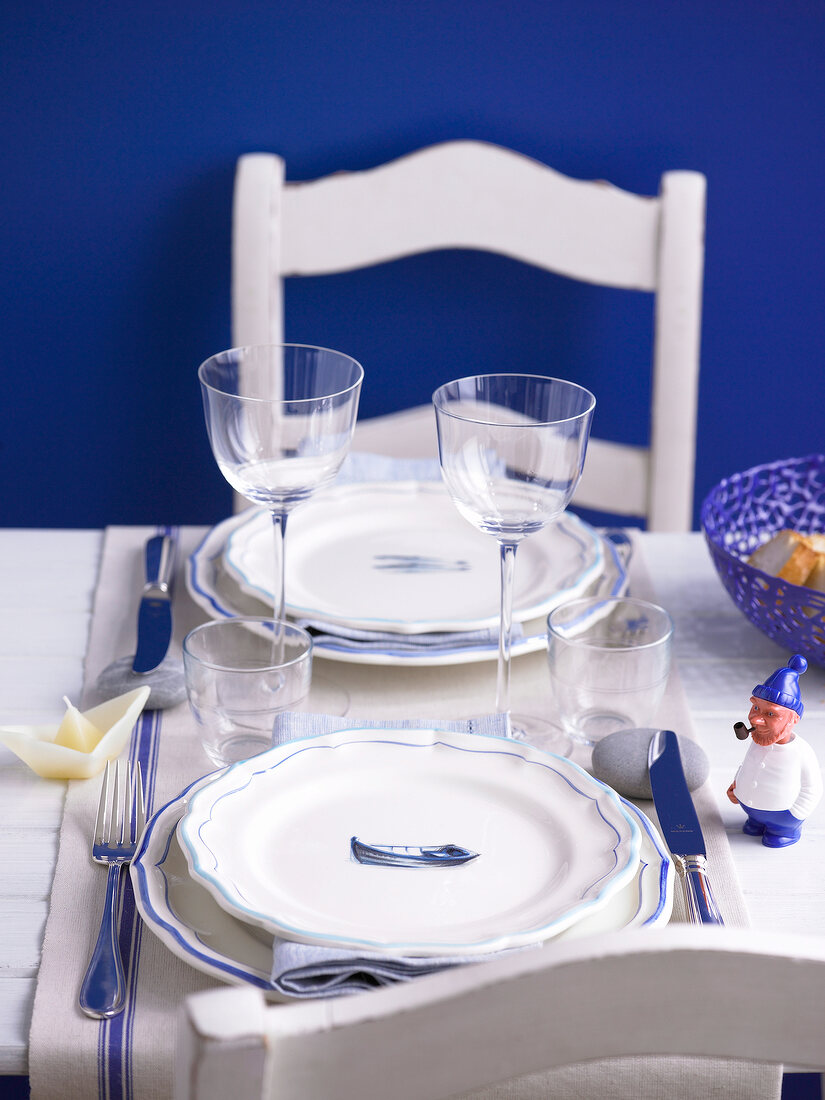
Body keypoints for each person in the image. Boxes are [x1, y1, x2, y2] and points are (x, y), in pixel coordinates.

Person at [727, 654, 822, 847]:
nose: (755, 719)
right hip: (750, 808)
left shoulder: (801, 752)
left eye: (770, 714)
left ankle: (782, 833)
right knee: (752, 826)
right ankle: (755, 822)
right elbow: (747, 766)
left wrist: (795, 814)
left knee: (777, 834)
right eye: (755, 707)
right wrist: (737, 786)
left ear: (793, 720)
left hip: (784, 816)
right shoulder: (756, 740)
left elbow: (813, 788)